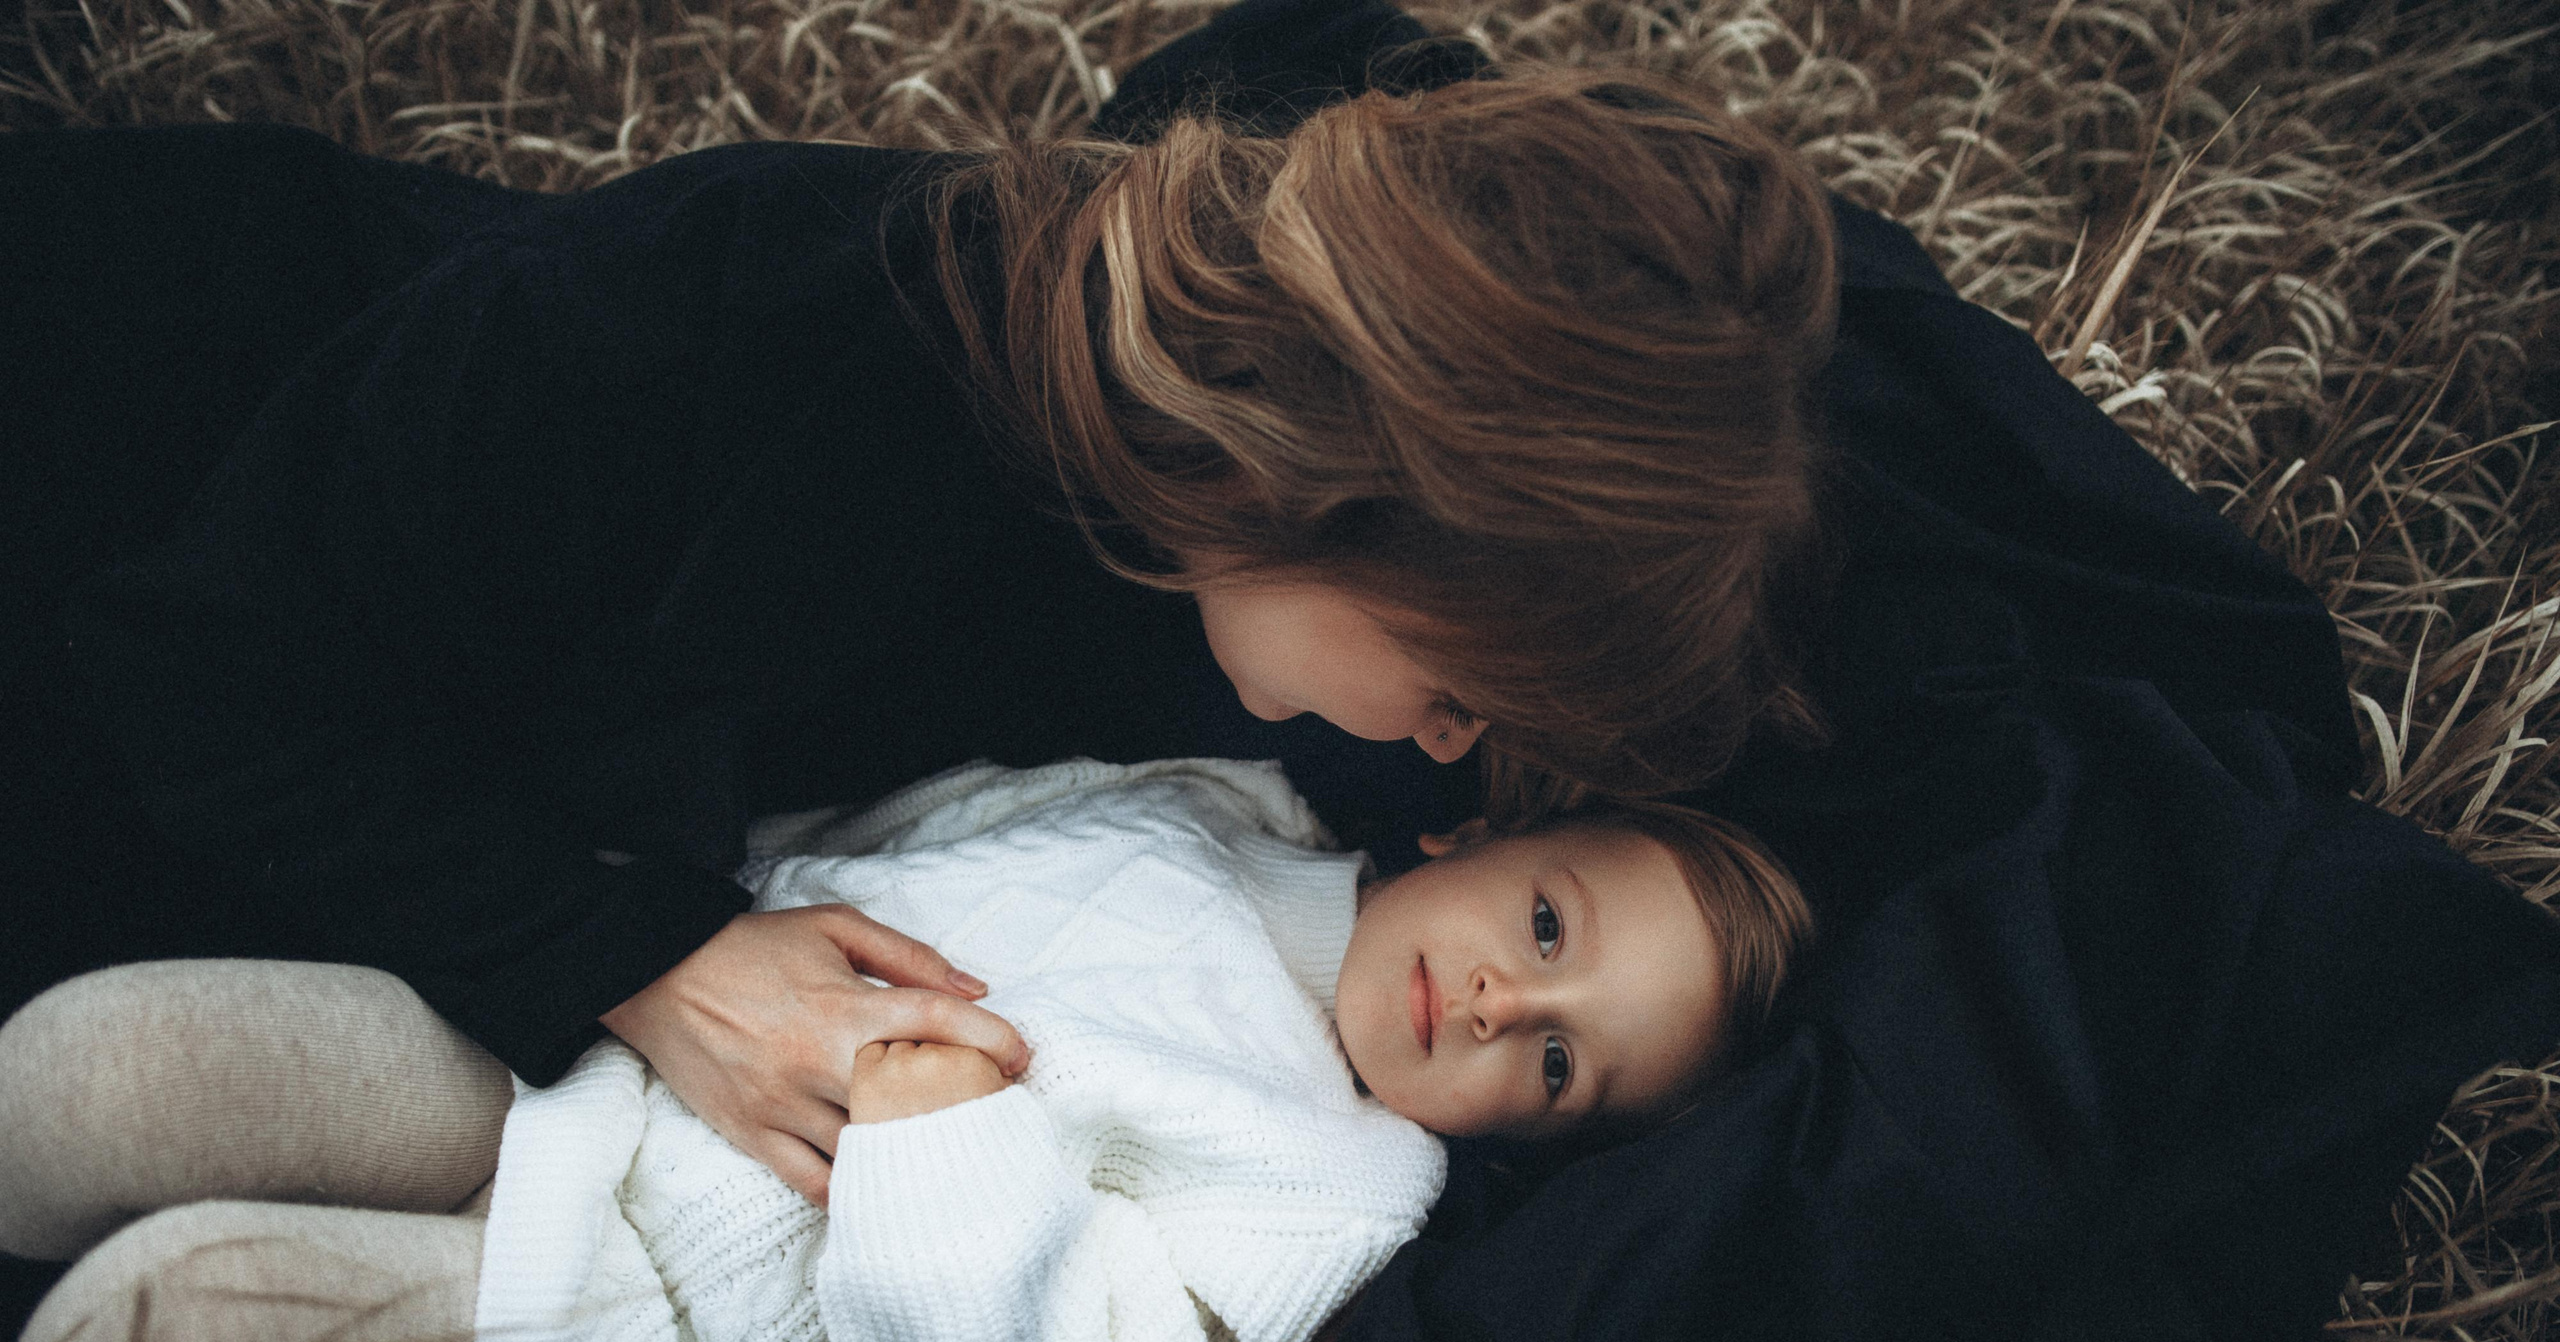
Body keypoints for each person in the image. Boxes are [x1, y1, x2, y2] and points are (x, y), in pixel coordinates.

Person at [0, 62, 1840, 1218]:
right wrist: (649, 961)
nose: (1446, 746)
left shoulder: (1228, 580)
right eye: (1457, 691)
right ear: (1333, 488)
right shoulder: (728, 324)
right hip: (127, 455)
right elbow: (193, 670)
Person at [0, 756, 1813, 1342]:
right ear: (1484, 828)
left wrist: (945, 1141)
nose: (1501, 1004)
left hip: (662, 1319)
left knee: (169, 1323)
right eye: (1547, 927)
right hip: (587, 1069)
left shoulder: (1336, 1191)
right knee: (103, 1067)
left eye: (1556, 1067)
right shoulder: (1214, 802)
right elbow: (887, 839)